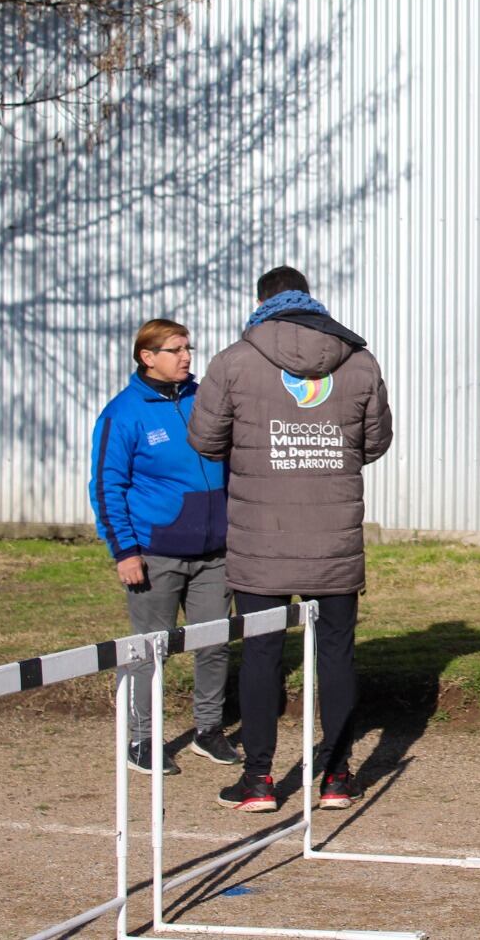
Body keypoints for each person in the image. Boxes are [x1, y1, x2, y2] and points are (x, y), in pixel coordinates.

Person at [189, 266, 392, 812]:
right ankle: (337, 778)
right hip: (333, 540)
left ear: (262, 302)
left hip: (263, 538)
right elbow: (374, 444)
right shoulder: (359, 361)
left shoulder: (234, 359)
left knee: (261, 657)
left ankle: (258, 780)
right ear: (310, 300)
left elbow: (205, 440)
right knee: (337, 656)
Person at [89, 319, 235, 776]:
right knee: (149, 651)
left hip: (216, 553)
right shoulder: (123, 413)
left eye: (188, 347)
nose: (187, 356)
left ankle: (208, 731)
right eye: (175, 349)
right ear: (147, 357)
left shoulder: (204, 399)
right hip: (155, 552)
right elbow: (107, 486)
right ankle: (142, 740)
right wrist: (125, 551)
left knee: (214, 645)